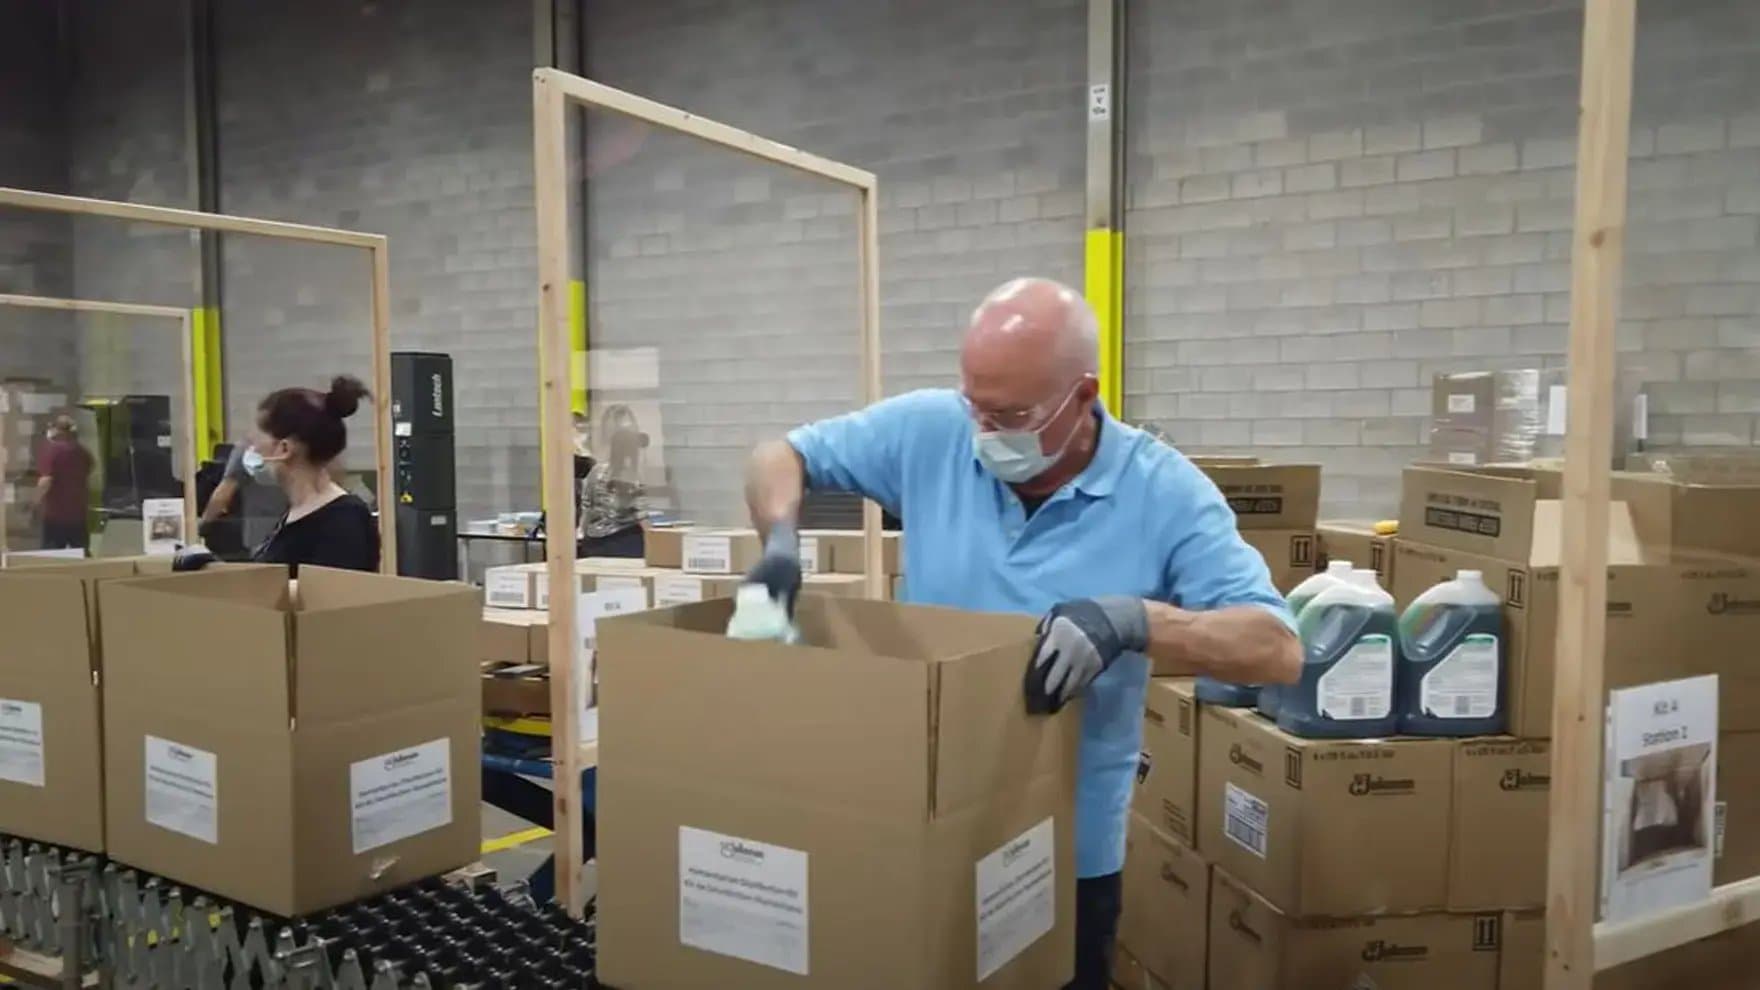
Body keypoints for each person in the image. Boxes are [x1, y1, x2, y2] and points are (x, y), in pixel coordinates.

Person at [742, 277, 1300, 990]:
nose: (984, 432)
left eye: (1009, 414)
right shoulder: (933, 431)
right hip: (917, 816)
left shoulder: (1165, 494)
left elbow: (1277, 649)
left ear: (1083, 394)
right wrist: (781, 539)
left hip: (1059, 851)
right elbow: (777, 455)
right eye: (975, 404)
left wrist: (1132, 620)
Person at [247, 375, 380, 573]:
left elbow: (335, 596)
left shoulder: (343, 522)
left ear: (284, 449)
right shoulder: (294, 515)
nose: (253, 448)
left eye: (258, 439)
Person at [577, 402, 649, 558]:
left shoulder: (596, 471)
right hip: (623, 543)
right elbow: (640, 514)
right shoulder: (628, 474)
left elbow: (586, 507)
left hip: (593, 543)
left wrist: (582, 534)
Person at [34, 415, 94, 551]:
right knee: (81, 554)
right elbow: (89, 470)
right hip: (78, 515)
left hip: (55, 516)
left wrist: (34, 502)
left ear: (58, 431)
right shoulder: (83, 452)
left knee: (52, 557)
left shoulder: (52, 451)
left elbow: (46, 481)